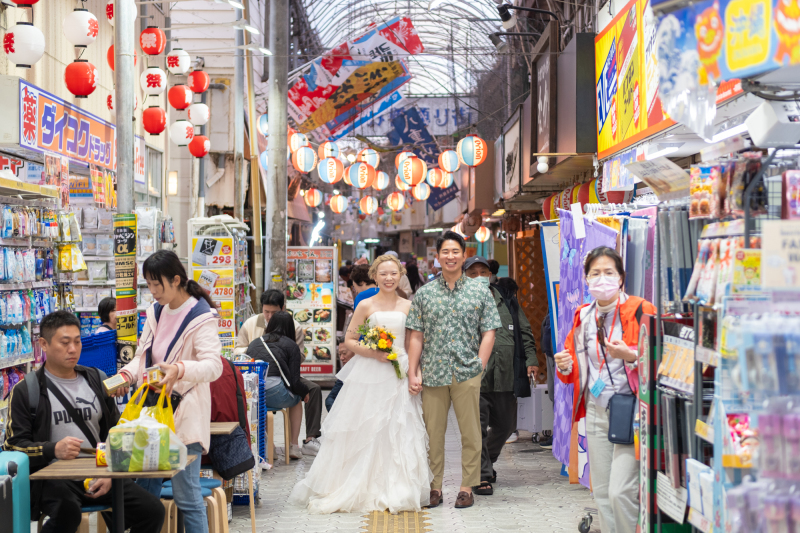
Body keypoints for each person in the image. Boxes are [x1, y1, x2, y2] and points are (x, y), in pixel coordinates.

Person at [290, 254, 433, 514]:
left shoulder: (409, 305)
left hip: (398, 372)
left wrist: (415, 372)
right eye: (383, 274)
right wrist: (373, 352)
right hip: (370, 372)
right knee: (367, 426)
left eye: (393, 274)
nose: (389, 278)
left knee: (399, 427)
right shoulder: (366, 305)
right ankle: (359, 485)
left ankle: (397, 487)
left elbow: (414, 341)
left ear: (400, 275)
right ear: (375, 276)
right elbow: (350, 341)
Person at [4, 311, 165, 533]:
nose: (73, 349)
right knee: (68, 513)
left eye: (77, 342)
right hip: (54, 481)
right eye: (65, 342)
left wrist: (110, 473)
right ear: (43, 344)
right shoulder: (26, 391)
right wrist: (53, 450)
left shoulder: (97, 379)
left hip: (100, 473)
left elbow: (116, 433)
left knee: (153, 510)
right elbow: (12, 448)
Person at [116, 250, 223, 533]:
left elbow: (214, 366)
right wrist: (127, 374)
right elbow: (144, 355)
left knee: (187, 495)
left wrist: (179, 369)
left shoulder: (201, 316)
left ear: (176, 280)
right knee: (145, 493)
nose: (152, 292)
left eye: (157, 284)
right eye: (148, 285)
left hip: (183, 413)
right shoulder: (156, 312)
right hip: (151, 416)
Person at [554, 246, 655, 533]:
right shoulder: (583, 315)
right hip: (595, 412)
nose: (602, 279)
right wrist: (564, 365)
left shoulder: (640, 309)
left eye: (609, 272)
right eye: (595, 273)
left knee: (620, 492)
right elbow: (574, 371)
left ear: (621, 277)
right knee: (601, 492)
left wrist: (633, 355)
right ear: (586, 279)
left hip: (632, 414)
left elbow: (662, 359)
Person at [407, 231, 502, 509]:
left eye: (455, 252)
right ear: (437, 258)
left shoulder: (479, 290)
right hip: (433, 373)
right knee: (432, 433)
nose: (450, 256)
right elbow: (416, 336)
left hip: (466, 371)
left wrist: (480, 365)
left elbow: (489, 331)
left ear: (463, 255)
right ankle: (435, 487)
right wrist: (414, 371)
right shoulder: (424, 294)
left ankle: (466, 487)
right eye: (445, 252)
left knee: (471, 431)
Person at [463, 258, 539, 496]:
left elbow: (524, 330)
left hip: (506, 374)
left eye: (483, 272)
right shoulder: (460, 300)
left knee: (507, 426)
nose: (478, 276)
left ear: (491, 274)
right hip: (475, 376)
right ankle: (482, 475)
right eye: (472, 273)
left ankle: (488, 460)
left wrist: (531, 360)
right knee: (477, 427)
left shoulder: (506, 299)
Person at [245, 311, 323, 458]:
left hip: (254, 393)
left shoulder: (255, 343)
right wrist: (304, 392)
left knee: (263, 408)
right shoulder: (291, 345)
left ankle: (269, 447)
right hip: (276, 392)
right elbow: (294, 381)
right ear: (290, 327)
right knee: (296, 399)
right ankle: (293, 446)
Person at [327, 264, 377, 412]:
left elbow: (359, 328)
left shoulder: (362, 297)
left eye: (354, 286)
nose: (355, 290)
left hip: (366, 351)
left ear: (359, 283)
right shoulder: (386, 293)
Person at [234, 289, 304, 356]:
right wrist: (255, 351)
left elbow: (300, 355)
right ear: (262, 308)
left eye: (274, 312)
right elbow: (238, 349)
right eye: (266, 311)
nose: (270, 316)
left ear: (282, 308)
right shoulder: (249, 324)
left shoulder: (294, 327)